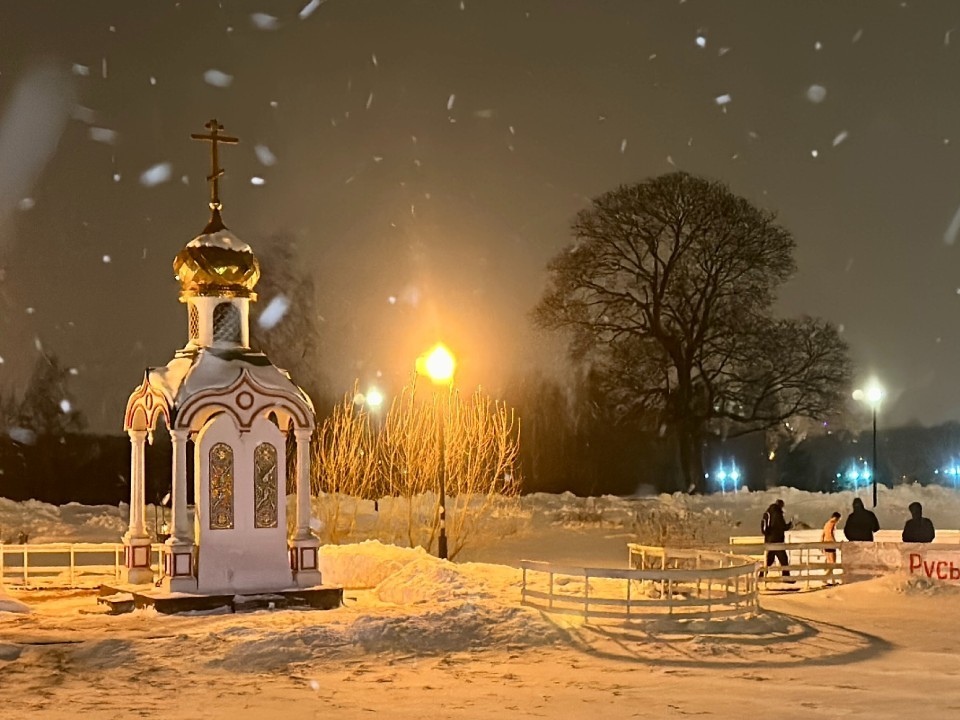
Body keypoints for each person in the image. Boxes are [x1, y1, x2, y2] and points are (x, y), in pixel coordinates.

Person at [761, 499, 793, 577]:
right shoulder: (777, 513)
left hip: (769, 540)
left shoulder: (768, 512)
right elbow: (782, 526)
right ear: (781, 505)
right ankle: (786, 577)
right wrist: (789, 525)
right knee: (784, 559)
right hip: (777, 540)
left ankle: (761, 575)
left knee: (769, 560)